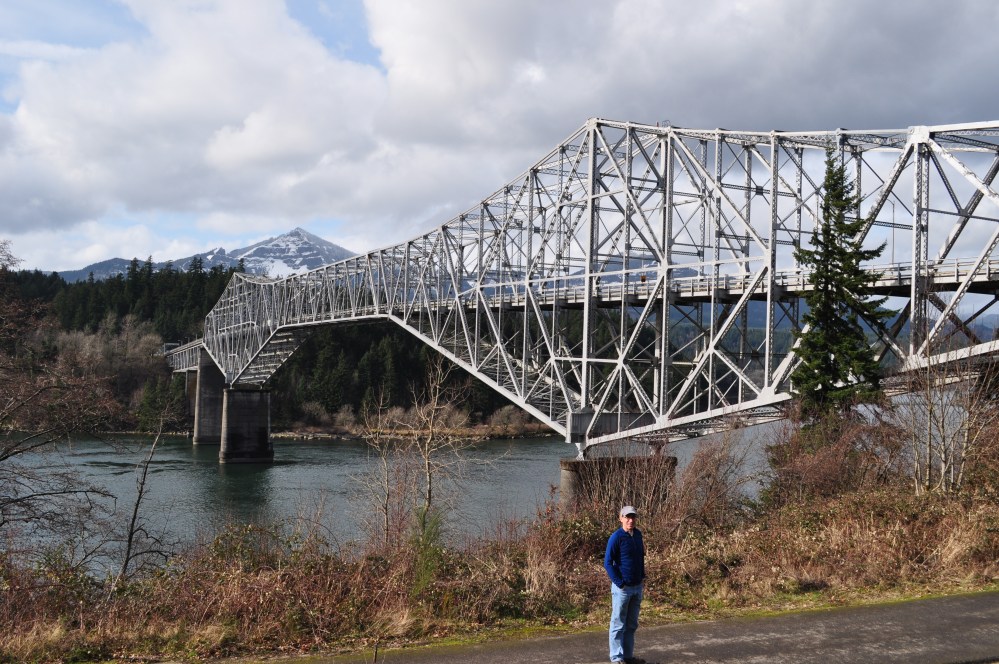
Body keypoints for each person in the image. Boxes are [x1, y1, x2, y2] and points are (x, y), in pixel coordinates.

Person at [604, 505, 646, 664]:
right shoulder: (616, 537)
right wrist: (620, 583)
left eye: (633, 517)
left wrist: (642, 577)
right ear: (620, 518)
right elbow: (608, 563)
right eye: (627, 517)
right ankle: (616, 658)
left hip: (637, 587)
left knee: (631, 624)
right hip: (623, 589)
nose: (630, 520)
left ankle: (627, 657)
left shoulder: (638, 535)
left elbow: (640, 558)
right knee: (618, 624)